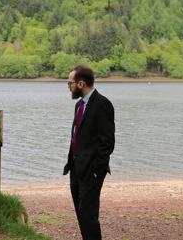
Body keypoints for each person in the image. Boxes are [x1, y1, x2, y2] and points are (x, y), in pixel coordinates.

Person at [63, 65, 115, 240]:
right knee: (81, 213)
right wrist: (71, 163)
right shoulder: (79, 105)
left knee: (88, 215)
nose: (68, 87)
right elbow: (77, 137)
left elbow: (107, 142)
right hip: (76, 168)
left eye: (70, 83)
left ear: (81, 84)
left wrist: (97, 170)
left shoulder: (102, 104)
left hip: (91, 171)